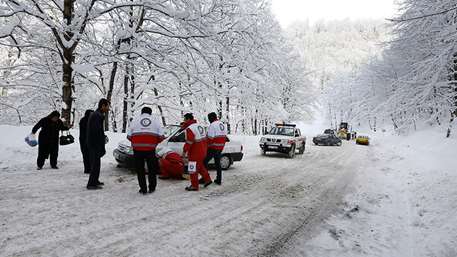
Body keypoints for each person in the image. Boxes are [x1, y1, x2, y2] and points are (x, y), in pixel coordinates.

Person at [127, 107, 164, 194]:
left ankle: (143, 189)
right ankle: (152, 188)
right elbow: (161, 136)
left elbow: (128, 136)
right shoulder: (156, 121)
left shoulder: (135, 121)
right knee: (152, 169)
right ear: (150, 113)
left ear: (141, 112)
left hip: (137, 150)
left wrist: (136, 142)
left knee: (140, 170)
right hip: (150, 150)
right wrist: (154, 143)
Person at [182, 113, 212, 191]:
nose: (184, 120)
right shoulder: (199, 126)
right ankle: (207, 179)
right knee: (200, 166)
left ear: (188, 119)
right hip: (203, 150)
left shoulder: (189, 128)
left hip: (195, 152)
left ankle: (194, 185)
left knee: (192, 168)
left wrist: (184, 151)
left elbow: (189, 141)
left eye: (184, 119)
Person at [86, 99, 110, 190]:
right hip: (94, 144)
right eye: (107, 106)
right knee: (95, 164)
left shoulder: (97, 114)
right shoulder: (97, 116)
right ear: (103, 106)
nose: (108, 108)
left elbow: (98, 130)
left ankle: (95, 180)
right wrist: (101, 141)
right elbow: (96, 131)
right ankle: (91, 184)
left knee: (96, 164)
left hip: (94, 143)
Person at [204, 112, 227, 185]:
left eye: (209, 119)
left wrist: (205, 145)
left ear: (211, 118)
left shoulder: (212, 125)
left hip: (213, 147)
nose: (208, 120)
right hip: (220, 147)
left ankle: (205, 178)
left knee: (204, 162)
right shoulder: (221, 124)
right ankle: (219, 179)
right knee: (217, 163)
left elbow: (210, 138)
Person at [79, 109, 93, 174]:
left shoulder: (85, 120)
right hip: (84, 140)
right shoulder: (85, 121)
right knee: (87, 155)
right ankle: (88, 169)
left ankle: (88, 169)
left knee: (88, 155)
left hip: (85, 140)